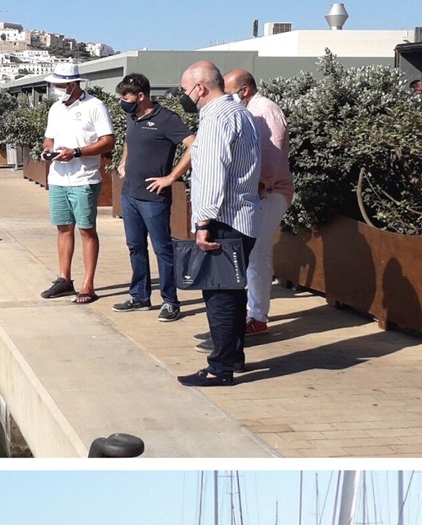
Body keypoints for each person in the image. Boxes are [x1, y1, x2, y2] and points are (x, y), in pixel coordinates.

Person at [175, 61, 261, 388]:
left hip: (223, 219)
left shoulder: (215, 118)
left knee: (219, 295)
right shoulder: (242, 113)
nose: (185, 96)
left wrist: (202, 222)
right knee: (235, 292)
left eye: (185, 90)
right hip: (243, 215)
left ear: (200, 88)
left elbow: (212, 174)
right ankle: (233, 356)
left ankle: (219, 367)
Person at [113, 73, 195, 322]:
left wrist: (171, 178)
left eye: (125, 97)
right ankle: (139, 296)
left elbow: (194, 144)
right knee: (135, 247)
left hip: (153, 198)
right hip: (130, 194)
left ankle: (171, 301)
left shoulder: (167, 119)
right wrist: (123, 160)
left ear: (141, 96)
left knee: (162, 249)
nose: (122, 102)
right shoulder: (132, 116)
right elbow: (129, 140)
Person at [223, 69, 294, 337]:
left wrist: (262, 186)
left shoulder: (265, 110)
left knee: (257, 253)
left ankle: (258, 316)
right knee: (250, 253)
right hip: (257, 191)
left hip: (269, 192)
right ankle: (252, 310)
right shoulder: (250, 110)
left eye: (230, 91)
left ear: (244, 90)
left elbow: (273, 152)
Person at [39, 61, 115, 305]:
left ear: (72, 85)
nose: (56, 90)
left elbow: (108, 141)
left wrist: (78, 152)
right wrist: (47, 151)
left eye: (60, 85)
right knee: (63, 227)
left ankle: (88, 285)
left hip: (84, 178)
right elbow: (48, 139)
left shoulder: (95, 106)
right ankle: (64, 279)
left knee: (86, 229)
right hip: (58, 178)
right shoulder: (55, 109)